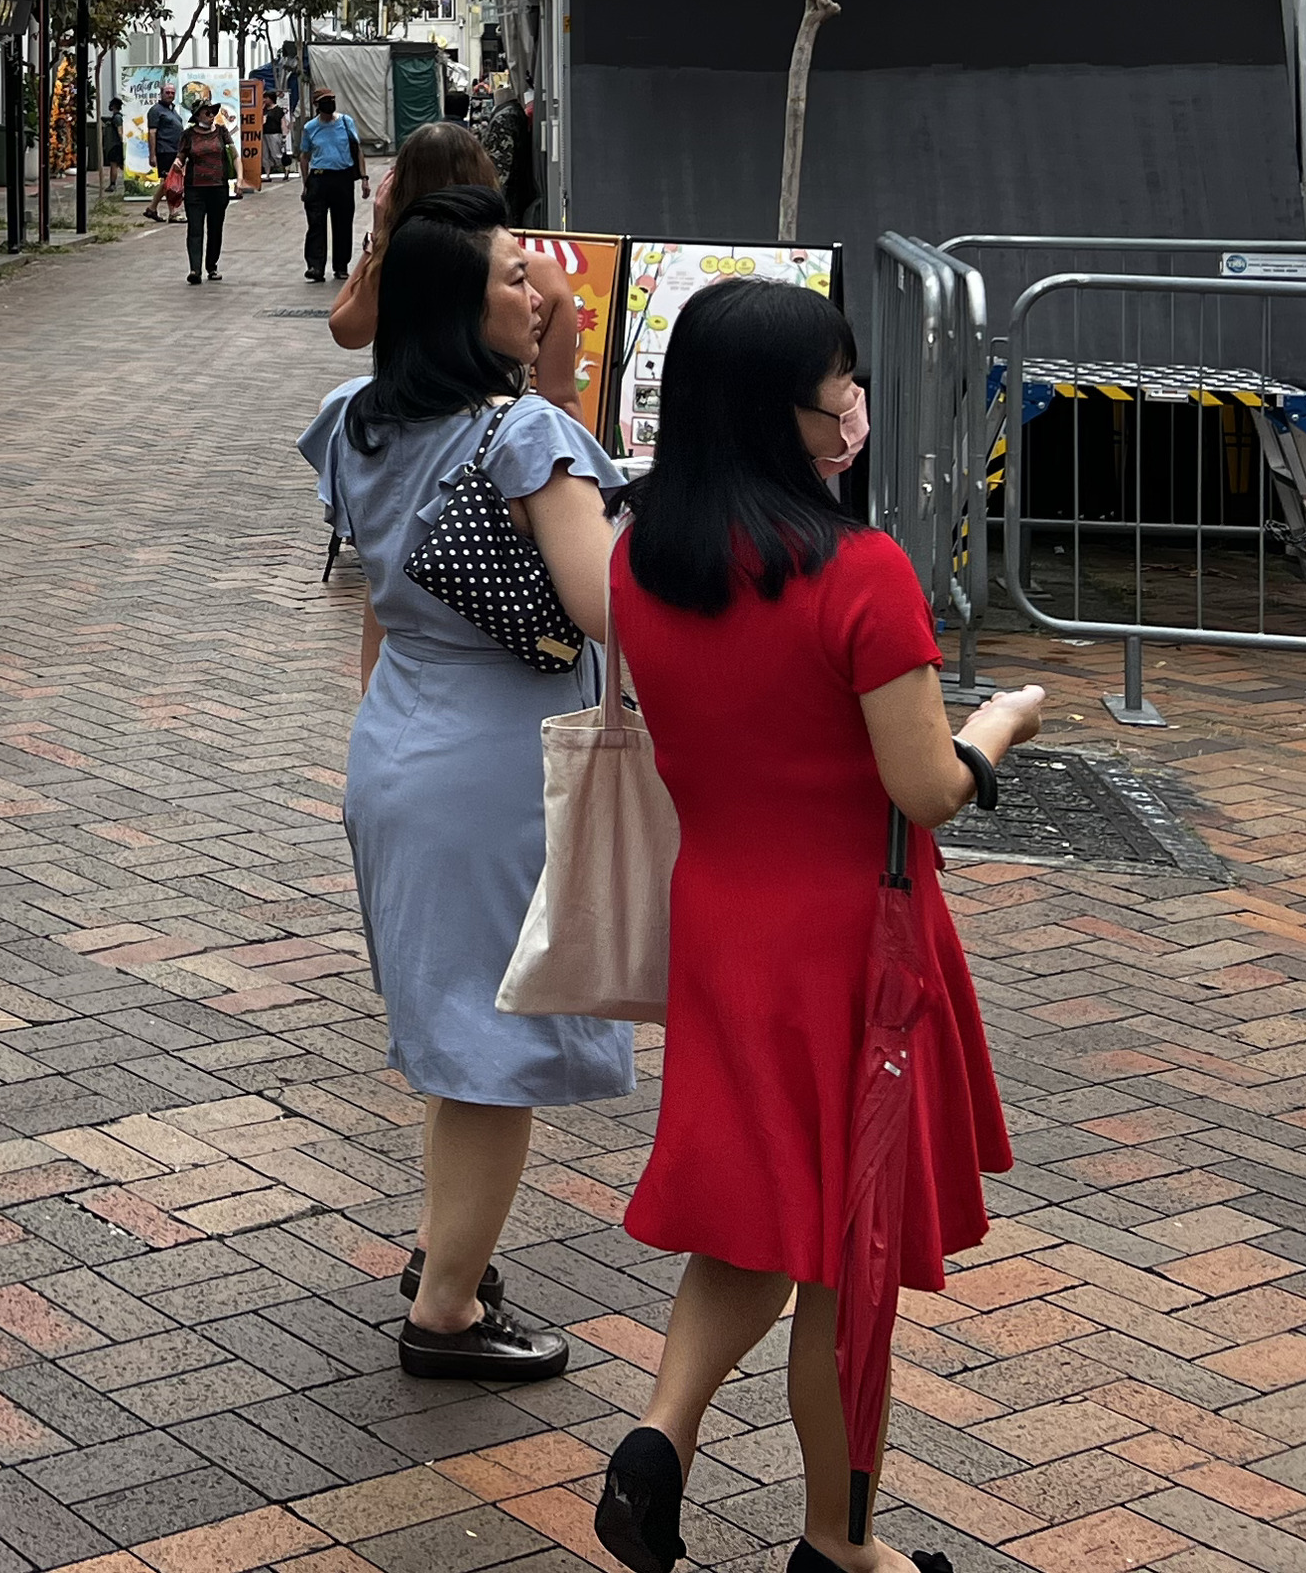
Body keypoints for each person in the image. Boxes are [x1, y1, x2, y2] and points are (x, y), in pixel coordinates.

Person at [590, 281, 1048, 1573]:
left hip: (722, 923)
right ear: (774, 413)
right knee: (844, 1257)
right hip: (854, 944)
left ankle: (659, 1444)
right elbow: (926, 788)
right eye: (834, 388)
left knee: (759, 1215)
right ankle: (839, 1544)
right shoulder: (862, 574)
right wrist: (1000, 724)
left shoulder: (642, 561)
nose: (853, 409)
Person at [303, 185, 626, 1381]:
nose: (535, 288)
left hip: (395, 741)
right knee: (495, 1061)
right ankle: (445, 1311)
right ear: (457, 305)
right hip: (497, 763)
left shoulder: (354, 419)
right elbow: (600, 605)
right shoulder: (530, 440)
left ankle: (446, 1249)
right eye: (508, 275)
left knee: (454, 1032)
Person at [331, 123, 583, 416]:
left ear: (400, 189)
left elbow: (347, 332)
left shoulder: (401, 267)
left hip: (411, 435)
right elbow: (561, 398)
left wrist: (380, 238)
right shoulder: (537, 272)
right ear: (485, 177)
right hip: (501, 443)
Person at [299, 88, 365, 281]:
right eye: (325, 100)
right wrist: (305, 184)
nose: (330, 103)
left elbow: (358, 150)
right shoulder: (310, 128)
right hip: (319, 179)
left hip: (342, 179)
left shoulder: (346, 122)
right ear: (316, 105)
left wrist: (364, 177)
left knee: (343, 222)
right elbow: (304, 157)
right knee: (316, 224)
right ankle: (315, 266)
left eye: (332, 99)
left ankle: (341, 266)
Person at [178, 86, 237, 284]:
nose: (211, 115)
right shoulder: (188, 135)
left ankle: (211, 266)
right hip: (195, 188)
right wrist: (173, 173)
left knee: (215, 228)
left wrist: (240, 179)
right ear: (197, 115)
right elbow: (180, 159)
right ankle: (195, 269)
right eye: (207, 112)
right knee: (195, 228)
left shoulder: (221, 132)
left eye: (213, 111)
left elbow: (234, 156)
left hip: (218, 188)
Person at [148, 87, 186, 219]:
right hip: (164, 150)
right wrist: (152, 155)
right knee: (170, 182)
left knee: (167, 182)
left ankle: (152, 208)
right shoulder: (155, 111)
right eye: (167, 92)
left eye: (172, 93)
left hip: (175, 150)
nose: (170, 95)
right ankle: (173, 212)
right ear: (161, 94)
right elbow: (152, 133)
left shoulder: (172, 110)